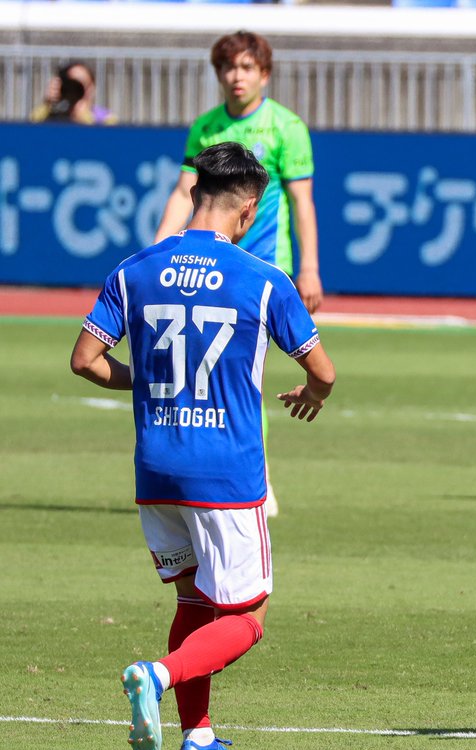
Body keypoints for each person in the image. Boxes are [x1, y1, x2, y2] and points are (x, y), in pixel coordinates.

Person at [70, 141, 336, 750]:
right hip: (224, 474)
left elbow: (84, 360)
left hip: (155, 471)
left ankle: (198, 736)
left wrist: (148, 380)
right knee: (246, 619)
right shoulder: (264, 281)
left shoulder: (133, 270)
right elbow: (323, 371)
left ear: (193, 195)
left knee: (193, 601)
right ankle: (156, 677)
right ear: (248, 212)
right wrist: (314, 393)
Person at [155, 30, 324, 517]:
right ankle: (216, 474)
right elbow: (183, 189)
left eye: (247, 67)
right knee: (219, 373)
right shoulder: (206, 127)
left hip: (265, 268)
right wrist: (161, 248)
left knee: (249, 374)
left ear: (264, 74)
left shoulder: (286, 127)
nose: (237, 76)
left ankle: (257, 477)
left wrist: (309, 268)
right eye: (229, 67)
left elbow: (302, 202)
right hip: (210, 265)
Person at [31, 61, 116, 125]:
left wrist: (82, 115)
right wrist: (48, 104)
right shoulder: (54, 115)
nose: (76, 90)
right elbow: (31, 129)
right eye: (72, 84)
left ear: (92, 88)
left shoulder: (105, 118)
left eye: (83, 84)